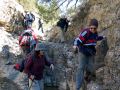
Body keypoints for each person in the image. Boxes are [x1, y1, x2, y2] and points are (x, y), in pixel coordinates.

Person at [73, 19, 104, 90]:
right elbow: (78, 41)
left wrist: (102, 37)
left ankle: (87, 78)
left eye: (94, 28)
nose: (92, 29)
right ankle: (78, 87)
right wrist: (75, 46)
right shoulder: (85, 32)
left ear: (97, 28)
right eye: (91, 28)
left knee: (91, 68)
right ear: (89, 27)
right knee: (81, 68)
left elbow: (96, 38)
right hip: (83, 52)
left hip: (91, 52)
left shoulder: (95, 33)